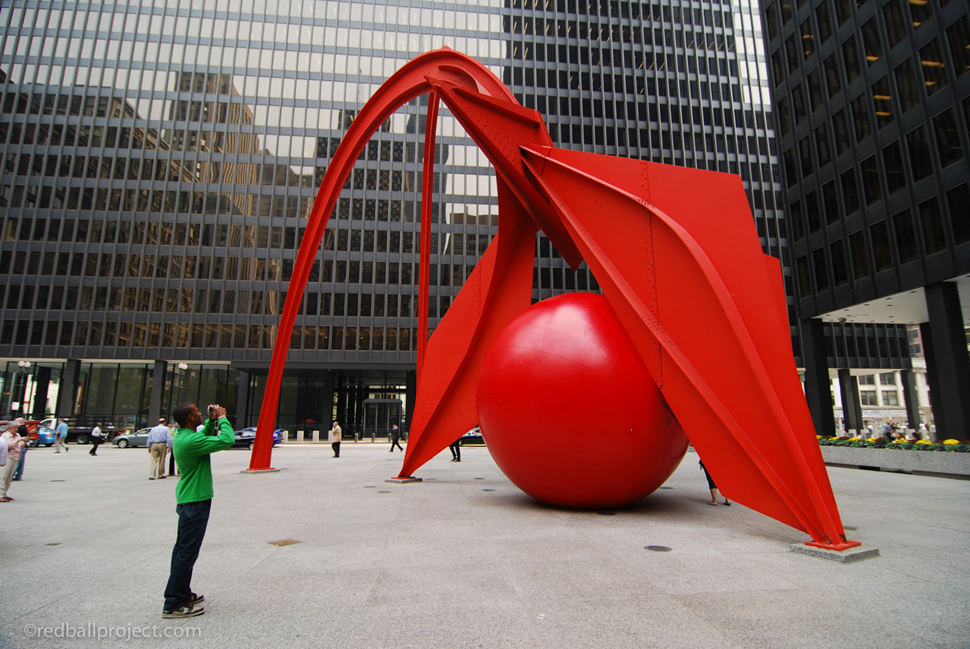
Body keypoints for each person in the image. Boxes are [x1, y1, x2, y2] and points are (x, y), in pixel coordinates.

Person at [162, 403, 234, 619]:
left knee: (182, 551)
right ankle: (173, 603)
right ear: (190, 417)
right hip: (195, 502)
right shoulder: (191, 440)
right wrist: (222, 418)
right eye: (197, 412)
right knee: (186, 553)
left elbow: (204, 436)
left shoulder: (185, 437)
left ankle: (182, 593)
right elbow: (227, 440)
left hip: (189, 500)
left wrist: (211, 423)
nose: (201, 413)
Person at [1, 423, 26, 502]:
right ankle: (0, 495)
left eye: (16, 428)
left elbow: (21, 445)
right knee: (2, 476)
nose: (16, 430)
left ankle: (4, 494)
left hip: (15, 458)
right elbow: (7, 445)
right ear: (9, 428)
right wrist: (18, 440)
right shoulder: (5, 436)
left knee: (9, 477)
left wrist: (24, 442)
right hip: (7, 458)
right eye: (14, 428)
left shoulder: (17, 435)